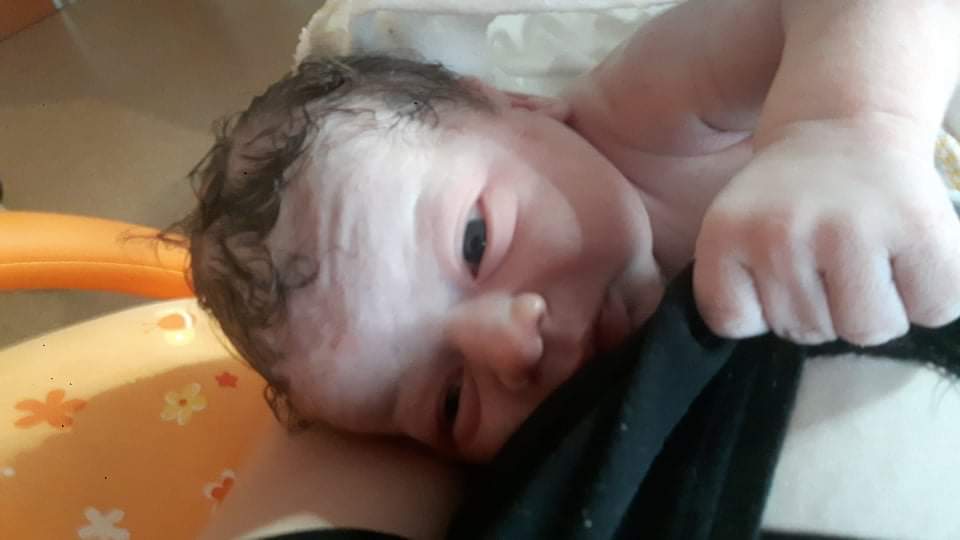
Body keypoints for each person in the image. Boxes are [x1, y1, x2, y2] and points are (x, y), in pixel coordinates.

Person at [171, 0, 960, 467]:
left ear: (516, 105)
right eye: (450, 400)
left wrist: (840, 130)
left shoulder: (648, 111)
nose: (510, 349)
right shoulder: (587, 422)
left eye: (475, 244)